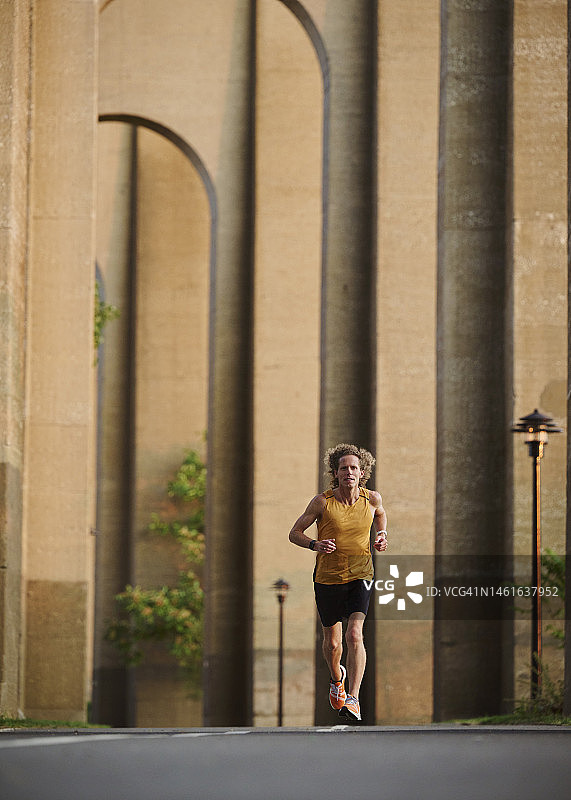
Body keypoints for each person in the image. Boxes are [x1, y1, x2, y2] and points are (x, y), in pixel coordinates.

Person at [288, 443, 388, 723]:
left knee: (355, 635)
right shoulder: (322, 502)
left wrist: (382, 535)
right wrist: (315, 544)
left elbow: (380, 516)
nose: (349, 472)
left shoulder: (372, 499)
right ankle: (337, 680)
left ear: (362, 472)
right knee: (333, 644)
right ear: (335, 472)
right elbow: (294, 533)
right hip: (328, 578)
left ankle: (353, 698)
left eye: (354, 468)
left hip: (361, 575)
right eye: (344, 468)